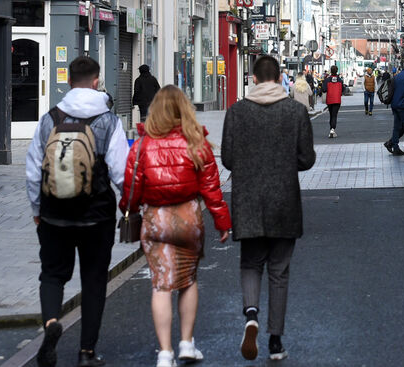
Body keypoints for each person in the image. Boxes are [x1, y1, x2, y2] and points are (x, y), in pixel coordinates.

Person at [27, 56, 129, 367]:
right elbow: (121, 172)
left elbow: (33, 170)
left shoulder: (50, 118)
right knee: (94, 280)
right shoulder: (109, 120)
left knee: (53, 274)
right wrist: (128, 205)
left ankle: (50, 324)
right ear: (97, 82)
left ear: (69, 82)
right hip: (96, 215)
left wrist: (37, 209)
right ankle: (86, 353)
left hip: (53, 211)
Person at [121, 86, 231, 367]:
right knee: (188, 280)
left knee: (160, 284)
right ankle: (186, 343)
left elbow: (132, 189)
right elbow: (212, 190)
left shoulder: (142, 146)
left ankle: (165, 353)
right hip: (188, 217)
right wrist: (222, 223)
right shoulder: (197, 143)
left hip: (155, 219)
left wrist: (128, 211)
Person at [221, 55, 316, 362]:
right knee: (279, 271)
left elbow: (228, 159)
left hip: (248, 198)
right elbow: (307, 159)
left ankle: (251, 313)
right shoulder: (295, 111)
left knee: (250, 263)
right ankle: (275, 340)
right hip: (284, 199)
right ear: (278, 78)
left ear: (253, 78)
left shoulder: (236, 112)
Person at [323, 65, 344, 137]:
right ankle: (332, 129)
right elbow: (343, 90)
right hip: (337, 100)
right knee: (334, 115)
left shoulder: (327, 80)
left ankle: (331, 129)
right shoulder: (340, 80)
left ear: (331, 71)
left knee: (331, 115)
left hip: (329, 99)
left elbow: (324, 89)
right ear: (337, 71)